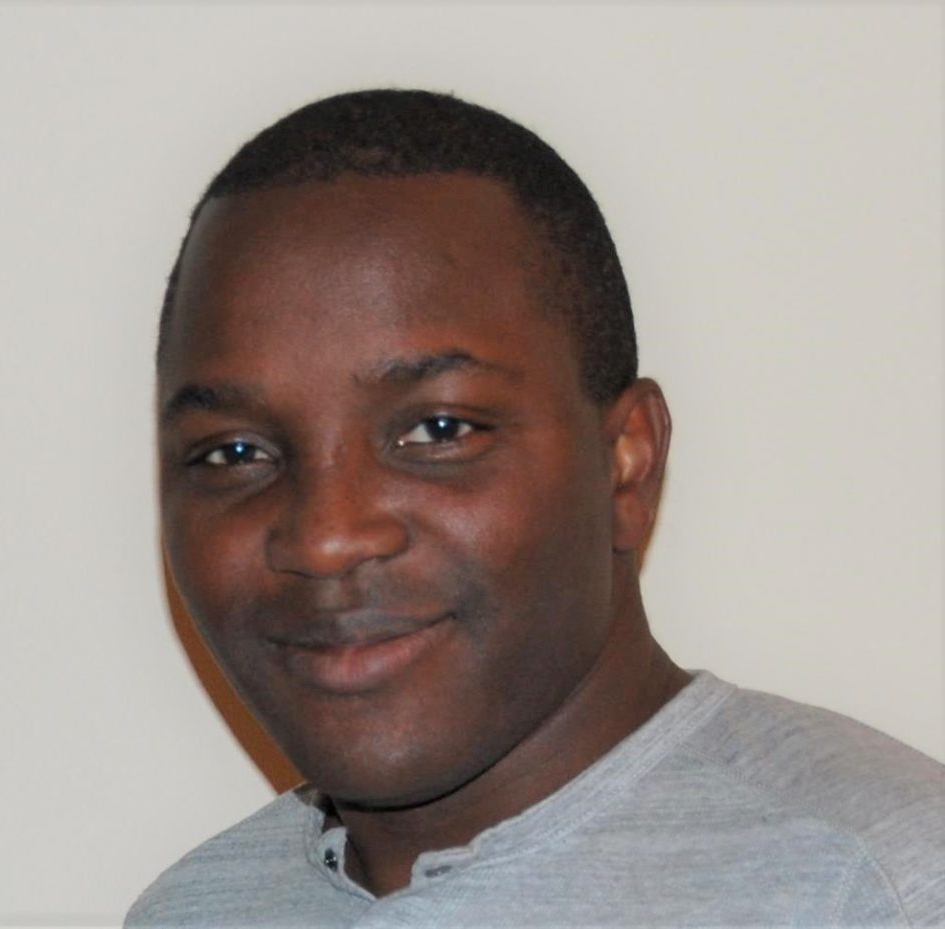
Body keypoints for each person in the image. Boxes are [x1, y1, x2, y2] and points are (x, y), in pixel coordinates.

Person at [127, 89, 944, 927]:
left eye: (438, 429)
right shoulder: (190, 911)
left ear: (628, 462)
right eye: (233, 453)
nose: (329, 535)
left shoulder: (882, 887)